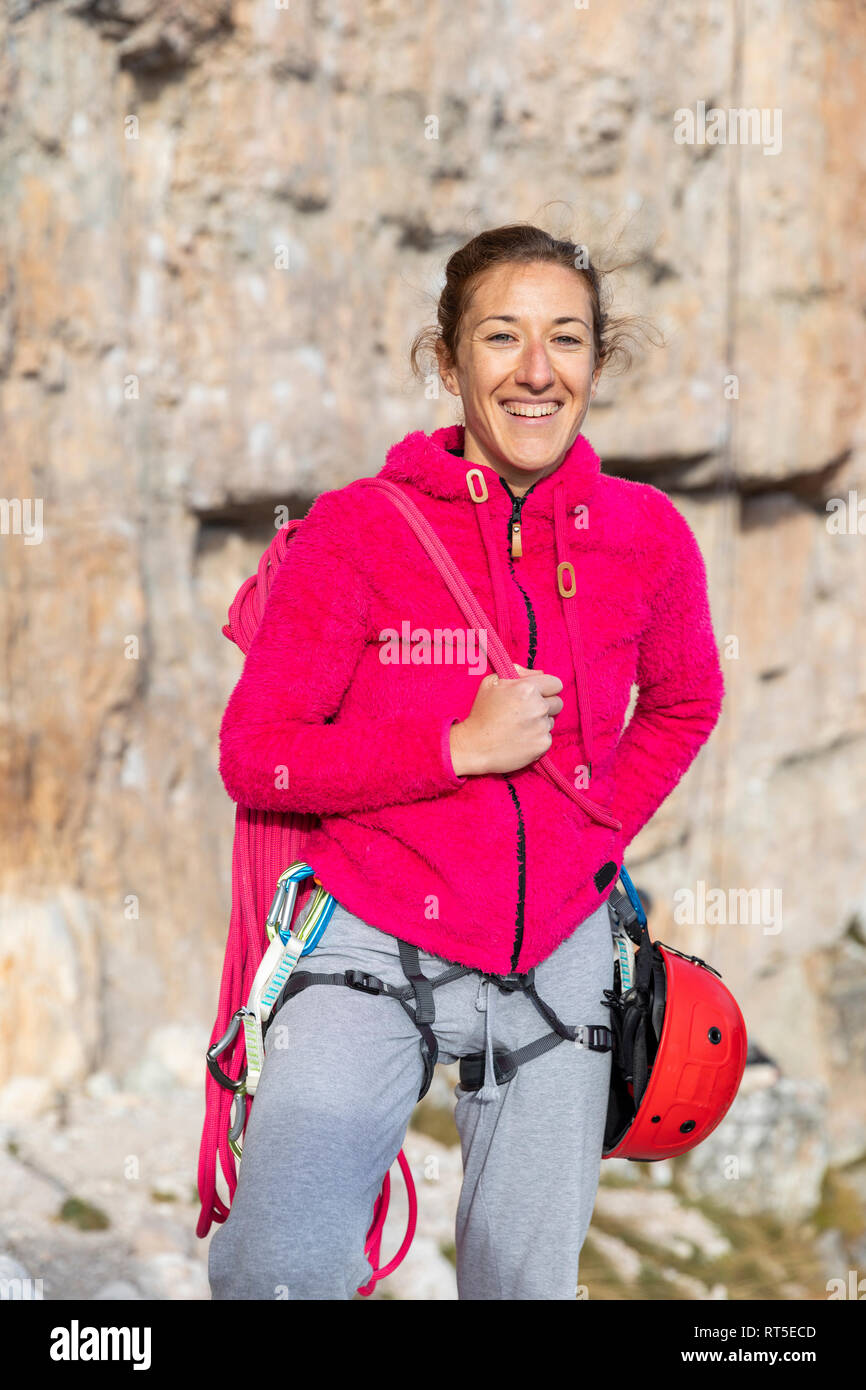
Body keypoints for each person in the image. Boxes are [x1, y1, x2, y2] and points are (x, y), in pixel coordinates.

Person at [207, 223, 725, 1300]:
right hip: (370, 936)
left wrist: (594, 833)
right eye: (501, 337)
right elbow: (258, 757)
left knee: (522, 1286)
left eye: (565, 340)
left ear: (594, 359)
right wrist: (454, 749)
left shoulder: (646, 534)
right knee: (277, 1271)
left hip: (562, 961)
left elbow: (684, 699)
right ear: (448, 362)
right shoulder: (358, 533)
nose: (536, 372)